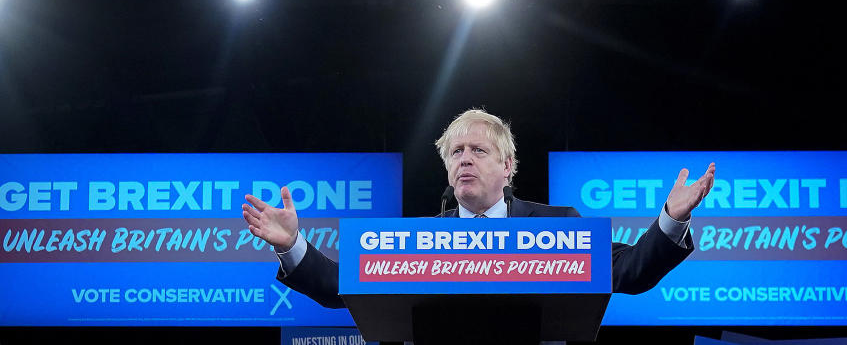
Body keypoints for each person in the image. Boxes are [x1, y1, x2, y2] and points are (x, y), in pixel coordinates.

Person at [241, 109, 716, 309]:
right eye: (455, 152)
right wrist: (293, 245)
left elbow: (631, 271)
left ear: (509, 167)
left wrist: (671, 218)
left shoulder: (560, 225)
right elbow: (338, 288)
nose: (464, 158)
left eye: (478, 150)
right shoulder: (418, 240)